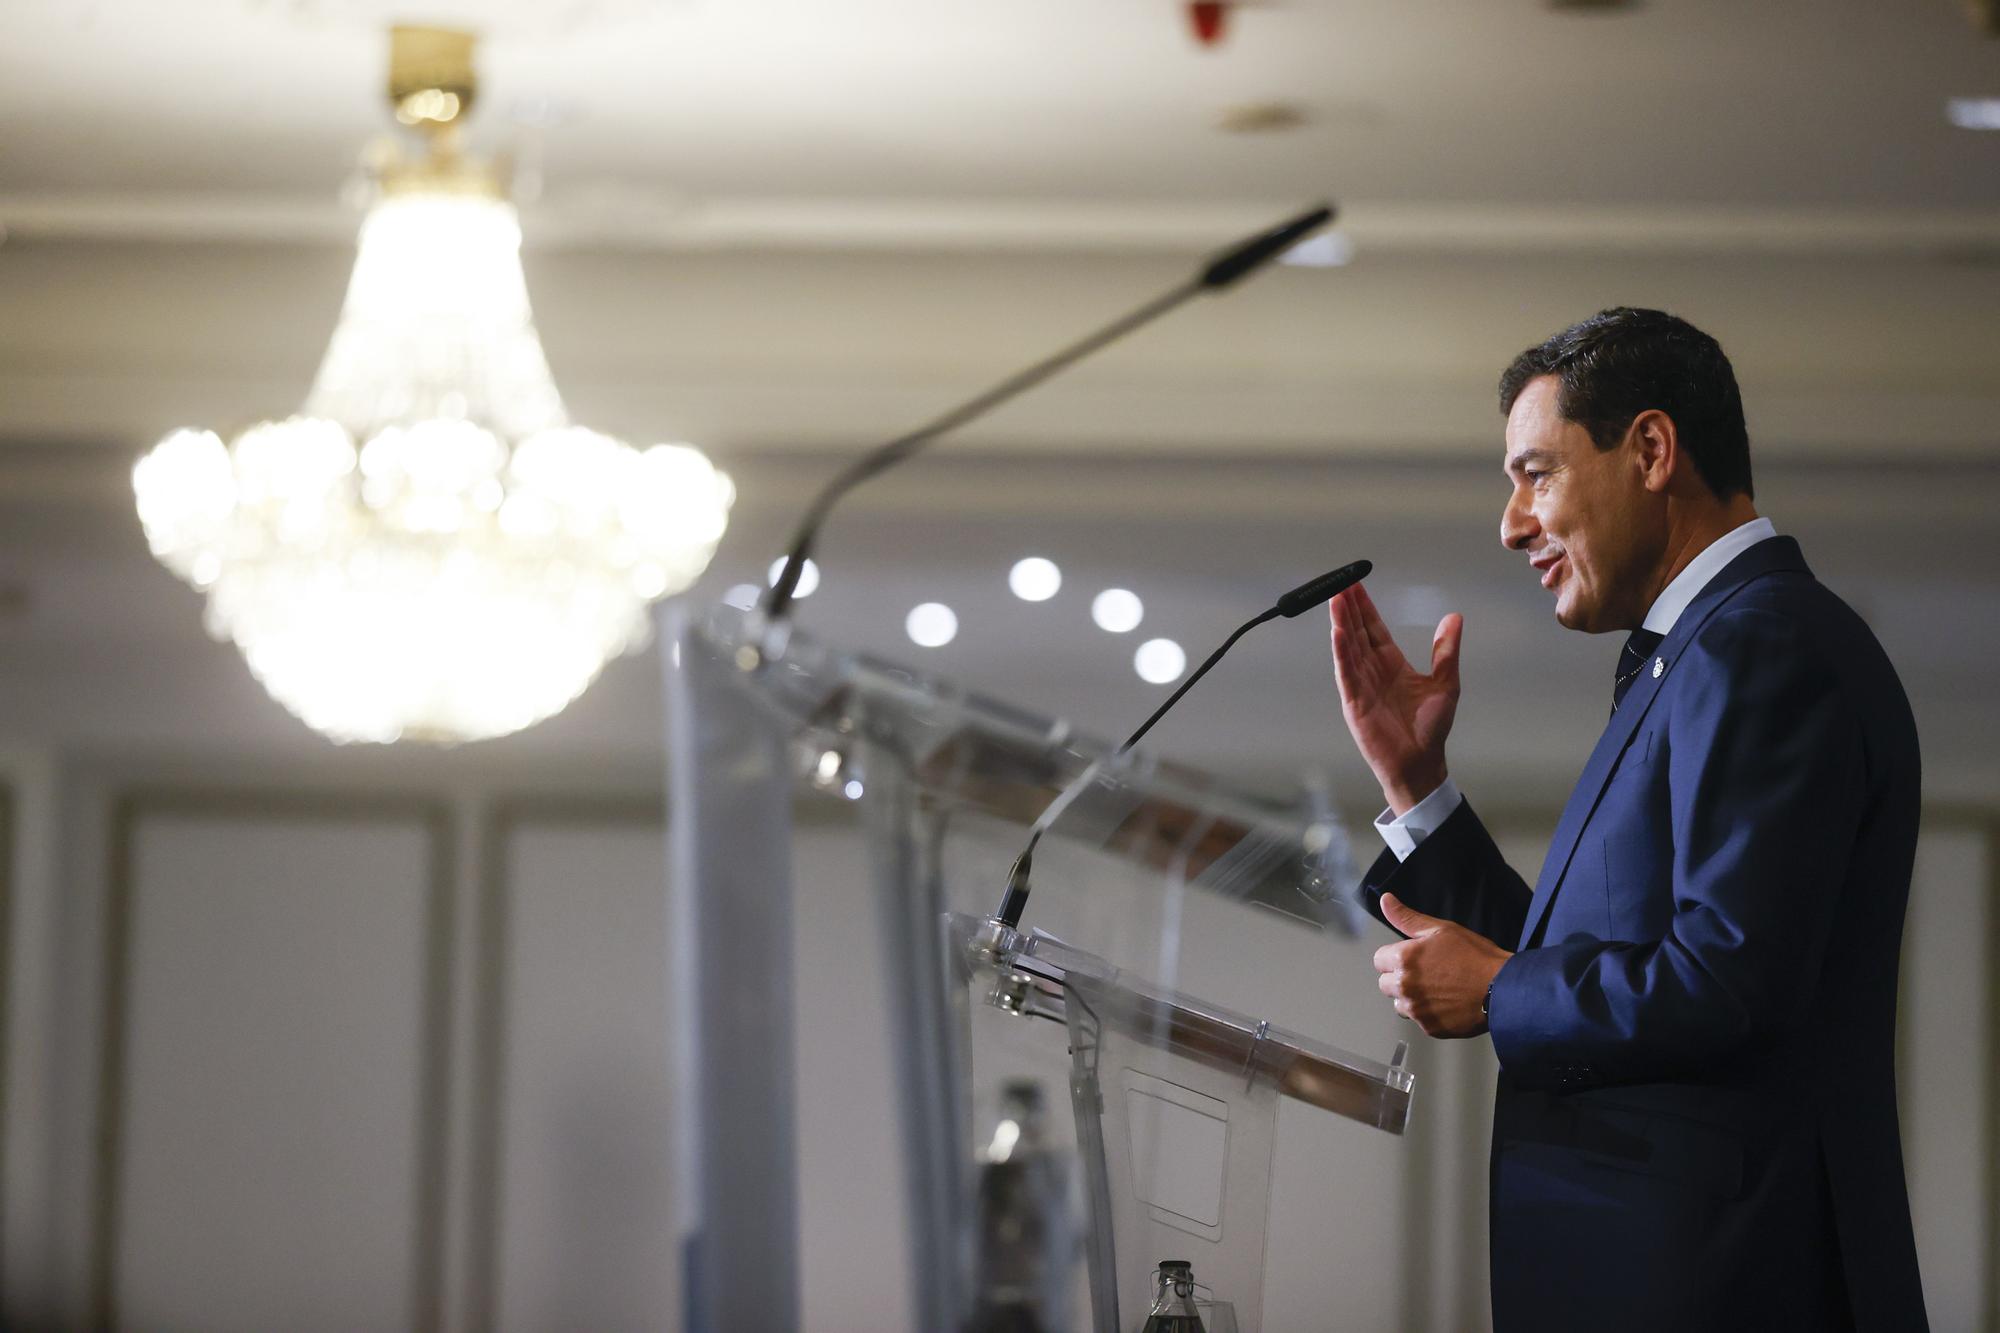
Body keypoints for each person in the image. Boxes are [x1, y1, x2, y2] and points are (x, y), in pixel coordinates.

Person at [1327, 307, 1926, 1331]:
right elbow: (1603, 963)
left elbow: (1726, 979)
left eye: (1535, 473)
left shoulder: (1759, 644)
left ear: (1649, 449)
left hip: (1726, 1289)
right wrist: (1418, 787)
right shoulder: (1704, 649)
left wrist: (1504, 987)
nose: (1511, 522)